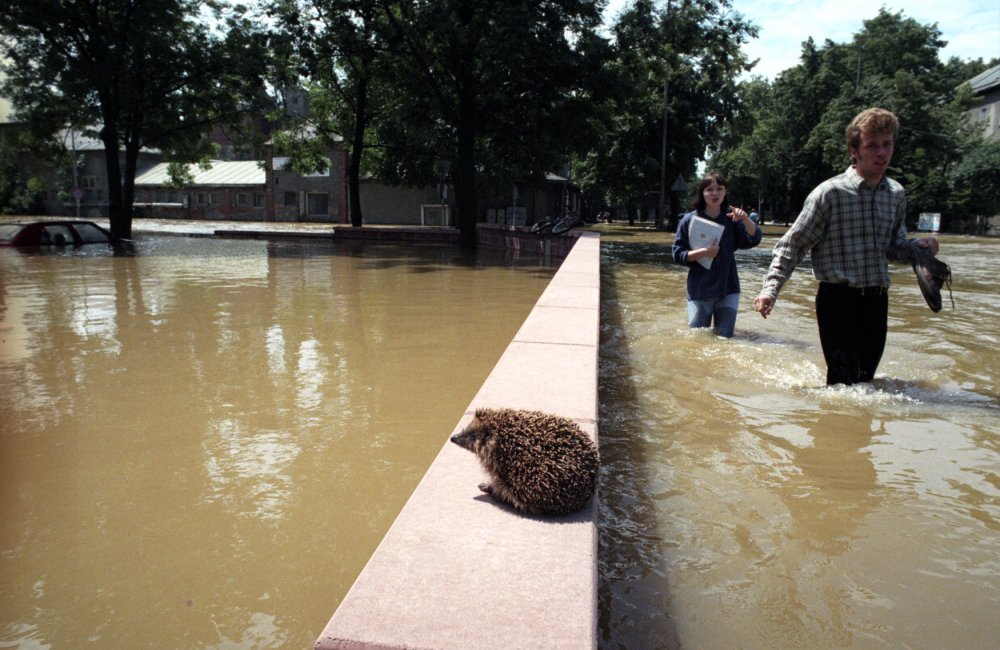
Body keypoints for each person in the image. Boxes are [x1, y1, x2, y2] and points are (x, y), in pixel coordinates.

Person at [752, 107, 939, 385]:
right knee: (843, 385)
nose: (881, 153)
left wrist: (916, 247)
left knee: (865, 384)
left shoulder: (896, 194)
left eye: (887, 144)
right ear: (854, 151)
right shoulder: (830, 193)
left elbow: (893, 247)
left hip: (877, 300)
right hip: (837, 300)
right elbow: (792, 245)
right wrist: (770, 290)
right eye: (872, 145)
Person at [672, 171, 763, 338]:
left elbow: (753, 240)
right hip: (700, 289)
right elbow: (678, 254)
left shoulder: (732, 218)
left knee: (725, 339)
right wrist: (704, 252)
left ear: (725, 192)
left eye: (719, 188)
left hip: (728, 288)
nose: (714, 193)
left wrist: (745, 220)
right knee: (699, 340)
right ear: (702, 192)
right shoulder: (689, 219)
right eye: (709, 189)